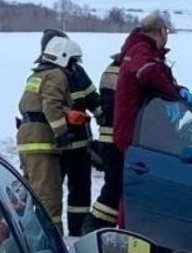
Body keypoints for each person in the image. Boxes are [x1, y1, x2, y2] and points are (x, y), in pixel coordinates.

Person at [17, 35, 92, 234]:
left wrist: (68, 114)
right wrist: (61, 132)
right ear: (63, 57)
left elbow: (34, 106)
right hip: (41, 143)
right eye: (73, 62)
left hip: (27, 139)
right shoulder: (57, 75)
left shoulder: (38, 75)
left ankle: (31, 241)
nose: (74, 67)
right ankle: (54, 248)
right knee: (49, 200)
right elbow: (50, 105)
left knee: (33, 197)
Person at [112, 11, 192, 176]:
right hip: (136, 133)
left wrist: (178, 90)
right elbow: (149, 73)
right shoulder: (141, 50)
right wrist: (174, 97)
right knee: (137, 185)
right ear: (162, 31)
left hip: (140, 131)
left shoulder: (139, 49)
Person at [38, 28, 97, 234]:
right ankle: (53, 237)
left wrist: (103, 116)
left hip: (80, 144)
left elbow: (92, 98)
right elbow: (47, 107)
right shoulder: (47, 75)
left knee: (81, 192)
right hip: (57, 146)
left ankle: (78, 233)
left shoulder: (78, 72)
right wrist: (61, 132)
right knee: (51, 193)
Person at [86, 52, 123, 231]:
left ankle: (95, 229)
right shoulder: (127, 70)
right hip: (115, 138)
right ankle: (94, 229)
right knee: (113, 188)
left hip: (108, 136)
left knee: (113, 186)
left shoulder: (111, 69)